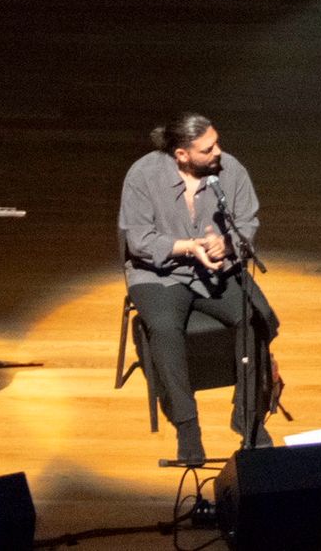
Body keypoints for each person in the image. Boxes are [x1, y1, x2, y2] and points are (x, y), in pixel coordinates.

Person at [119, 113, 279, 464]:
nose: (218, 152)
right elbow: (140, 241)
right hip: (160, 273)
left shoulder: (231, 171)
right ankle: (187, 426)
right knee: (164, 330)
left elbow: (247, 222)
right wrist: (191, 246)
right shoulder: (143, 175)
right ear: (182, 154)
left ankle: (246, 416)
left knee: (257, 318)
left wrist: (226, 244)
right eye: (208, 149)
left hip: (217, 270)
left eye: (217, 143)